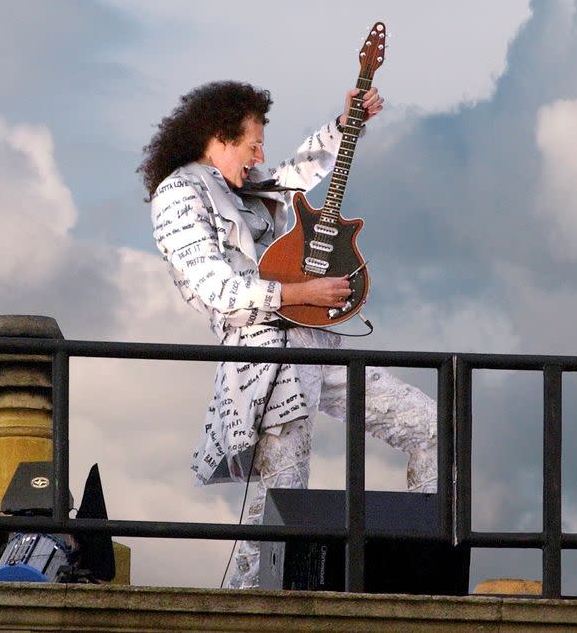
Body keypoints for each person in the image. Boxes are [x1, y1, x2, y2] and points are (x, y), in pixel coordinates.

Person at [139, 81, 438, 588]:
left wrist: (346, 126)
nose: (260, 155)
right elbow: (215, 287)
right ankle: (244, 609)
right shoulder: (178, 194)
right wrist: (300, 294)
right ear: (218, 137)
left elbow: (298, 172)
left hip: (319, 345)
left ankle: (423, 567)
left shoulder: (247, 187)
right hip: (265, 358)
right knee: (282, 498)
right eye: (253, 144)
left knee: (433, 426)